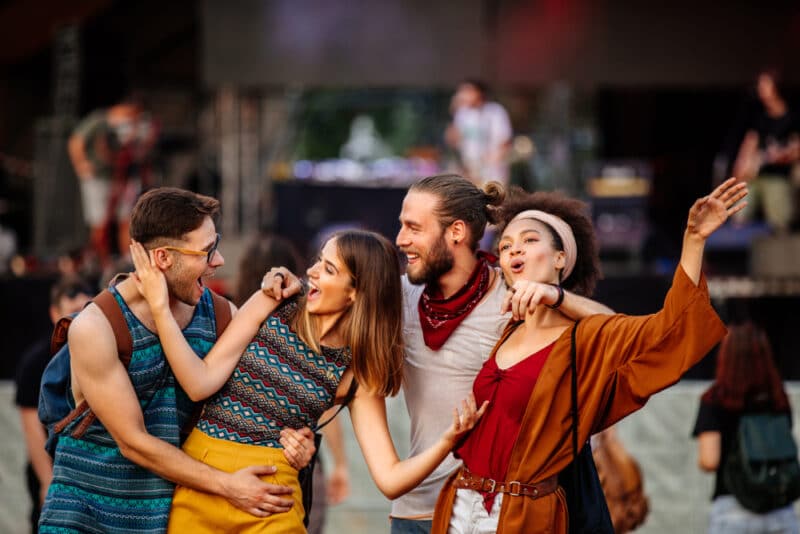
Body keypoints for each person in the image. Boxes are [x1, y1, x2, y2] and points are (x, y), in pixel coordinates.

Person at [429, 178, 745, 533]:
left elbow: (660, 333)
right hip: (462, 506)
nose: (514, 250)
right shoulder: (506, 330)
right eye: (505, 246)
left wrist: (694, 241)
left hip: (523, 516)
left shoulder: (580, 337)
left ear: (560, 258)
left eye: (529, 241)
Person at [129, 228, 487, 533]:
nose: (312, 272)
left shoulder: (355, 375)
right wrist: (160, 308)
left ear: (355, 293)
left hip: (273, 499)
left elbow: (390, 479)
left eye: (328, 269)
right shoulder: (274, 305)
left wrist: (447, 442)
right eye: (318, 261)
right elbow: (198, 382)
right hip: (203, 481)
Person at [39, 187, 312, 533]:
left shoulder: (220, 315)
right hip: (84, 520)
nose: (219, 261)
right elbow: (133, 442)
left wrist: (298, 443)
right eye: (207, 251)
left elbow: (264, 397)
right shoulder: (97, 327)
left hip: (163, 520)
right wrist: (228, 485)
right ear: (164, 258)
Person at [390, 174, 613, 534]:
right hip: (414, 513)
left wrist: (554, 295)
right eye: (507, 245)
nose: (401, 239)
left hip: (491, 510)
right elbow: (328, 296)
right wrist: (282, 291)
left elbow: (616, 333)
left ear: (456, 232)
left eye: (413, 227)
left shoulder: (515, 298)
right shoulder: (399, 296)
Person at [235, 231, 352, 534]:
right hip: (290, 459)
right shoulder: (305, 331)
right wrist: (339, 462)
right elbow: (323, 405)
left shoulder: (236, 319)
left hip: (232, 458)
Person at [693, 322, 799, 533]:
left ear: (726, 356)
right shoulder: (779, 400)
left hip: (732, 508)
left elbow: (709, 460)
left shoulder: (715, 400)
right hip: (779, 507)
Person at [14, 276, 93, 534]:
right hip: (50, 465)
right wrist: (48, 481)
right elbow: (32, 429)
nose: (78, 319)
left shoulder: (99, 351)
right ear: (54, 313)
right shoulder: (35, 362)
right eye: (70, 312)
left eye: (84, 310)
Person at [67, 97, 160, 266]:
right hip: (99, 178)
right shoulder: (99, 120)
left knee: (127, 218)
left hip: (126, 177)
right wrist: (81, 164)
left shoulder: (137, 124)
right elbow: (76, 141)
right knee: (100, 220)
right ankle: (102, 261)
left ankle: (128, 259)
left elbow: (143, 150)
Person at [733, 69, 800, 232]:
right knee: (740, 210)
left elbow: (796, 148)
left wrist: (785, 156)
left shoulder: (793, 117)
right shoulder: (758, 116)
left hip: (778, 176)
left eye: (765, 85)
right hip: (755, 176)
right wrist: (742, 167)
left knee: (780, 223)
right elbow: (750, 143)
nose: (761, 90)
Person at [445, 80, 513, 187]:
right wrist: (453, 110)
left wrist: (493, 160)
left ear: (478, 93)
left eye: (467, 91)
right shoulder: (462, 113)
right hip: (470, 169)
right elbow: (453, 140)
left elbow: (505, 140)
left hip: (493, 171)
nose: (463, 95)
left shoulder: (495, 111)